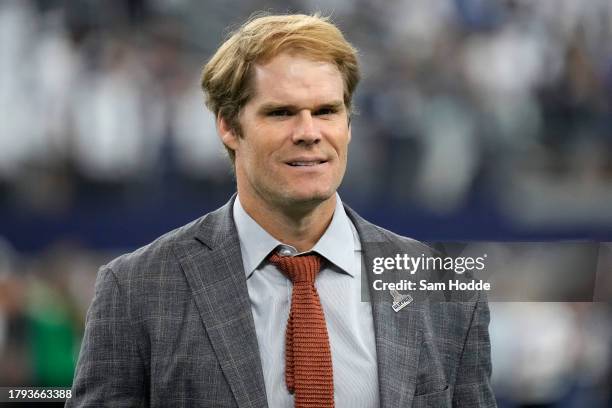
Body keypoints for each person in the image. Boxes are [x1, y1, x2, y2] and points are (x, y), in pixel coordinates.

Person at [67, 13, 496, 408]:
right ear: (229, 126)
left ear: (348, 123)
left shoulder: (442, 288)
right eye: (281, 113)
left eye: (327, 111)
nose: (309, 132)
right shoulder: (136, 290)